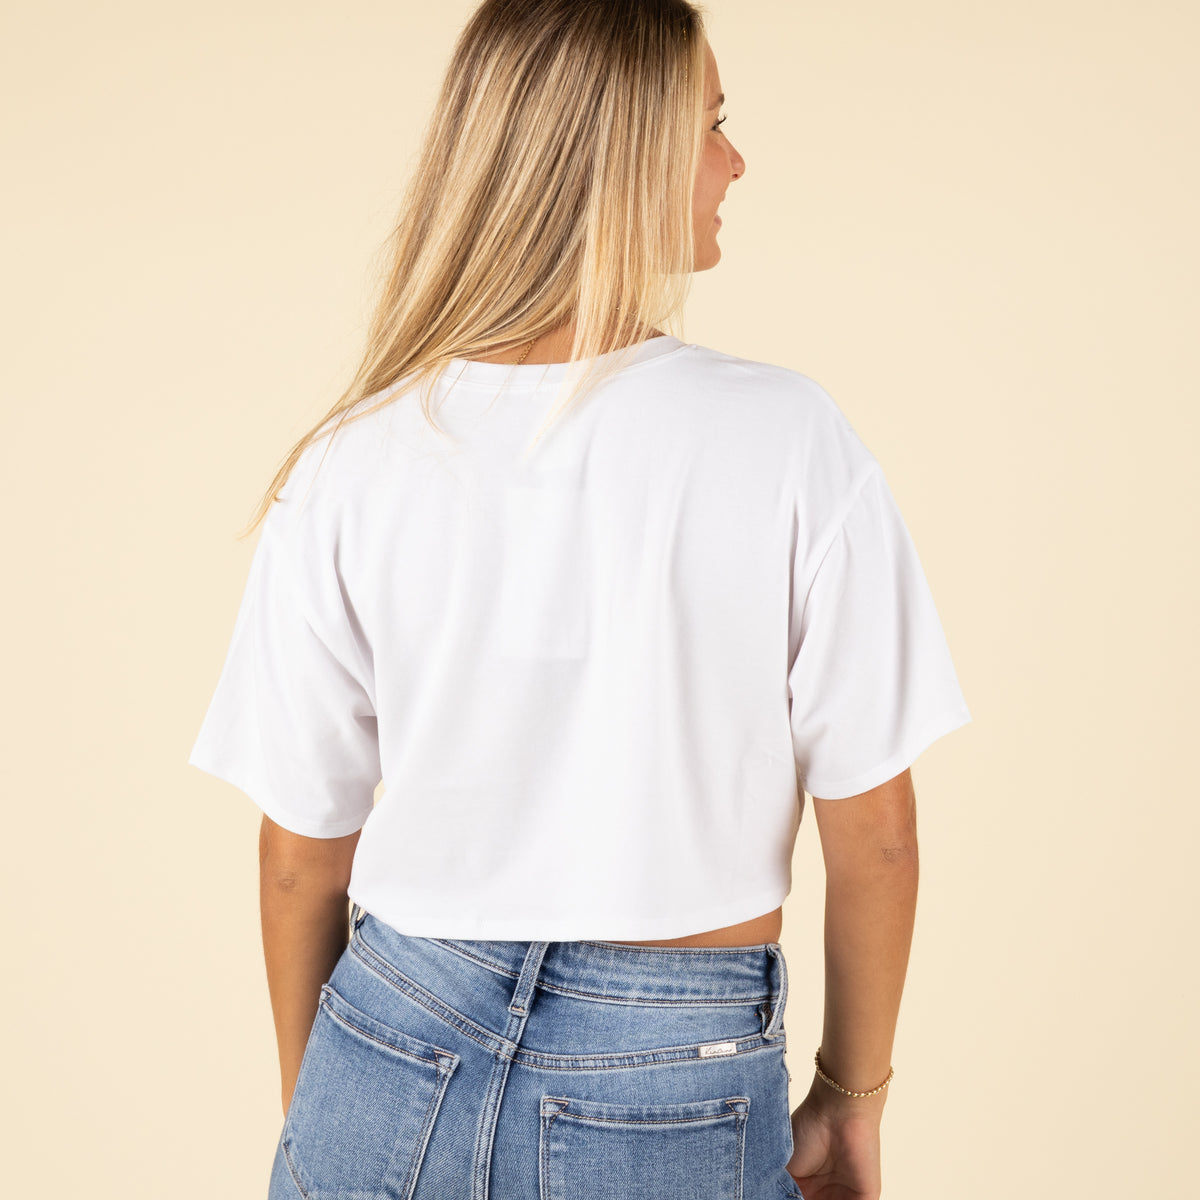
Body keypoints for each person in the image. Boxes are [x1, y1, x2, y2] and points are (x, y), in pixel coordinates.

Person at [187, 2, 971, 1197]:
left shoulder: (353, 457)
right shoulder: (786, 438)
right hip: (671, 1073)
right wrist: (852, 1105)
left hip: (387, 1035)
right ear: (628, 155)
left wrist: (330, 1115)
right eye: (712, 123)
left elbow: (300, 860)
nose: (736, 161)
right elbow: (879, 837)